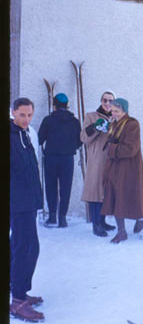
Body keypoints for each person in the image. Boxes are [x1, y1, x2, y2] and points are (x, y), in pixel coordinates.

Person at [10, 98, 45, 322]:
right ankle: (17, 301)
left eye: (30, 115)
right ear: (13, 112)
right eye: (22, 114)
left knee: (22, 245)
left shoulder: (26, 134)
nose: (26, 119)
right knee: (27, 247)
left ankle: (19, 290)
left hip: (29, 200)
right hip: (17, 202)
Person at [101, 98, 143, 243]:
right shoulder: (114, 123)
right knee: (116, 196)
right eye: (112, 111)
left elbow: (131, 148)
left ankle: (141, 217)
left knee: (131, 196)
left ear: (124, 110)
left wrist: (112, 149)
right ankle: (121, 232)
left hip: (129, 167)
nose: (114, 113)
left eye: (117, 111)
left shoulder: (132, 124)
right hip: (115, 166)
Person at [37, 93, 82, 227]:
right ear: (67, 105)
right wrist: (70, 147)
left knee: (51, 186)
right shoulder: (74, 121)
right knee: (65, 188)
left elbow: (39, 139)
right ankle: (62, 218)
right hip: (67, 158)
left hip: (51, 158)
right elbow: (80, 141)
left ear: (54, 105)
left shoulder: (48, 120)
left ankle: (52, 216)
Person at [81, 91, 117, 237]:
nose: (107, 103)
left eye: (110, 101)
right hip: (96, 159)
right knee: (95, 191)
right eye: (105, 100)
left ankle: (102, 221)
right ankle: (95, 224)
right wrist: (95, 127)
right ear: (101, 101)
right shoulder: (91, 116)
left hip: (110, 159)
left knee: (105, 192)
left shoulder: (116, 117)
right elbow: (83, 137)